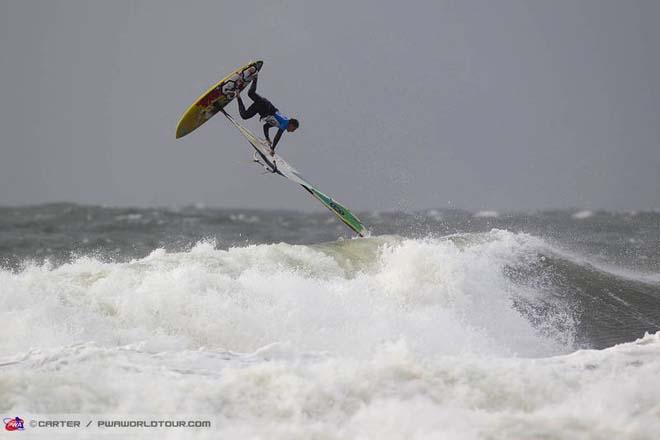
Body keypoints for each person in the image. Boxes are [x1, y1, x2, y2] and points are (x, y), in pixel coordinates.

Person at [235, 76, 299, 155]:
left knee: (244, 115)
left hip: (261, 108)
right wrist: (272, 149)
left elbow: (265, 126)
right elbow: (277, 136)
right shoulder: (285, 122)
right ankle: (255, 76)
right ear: (291, 125)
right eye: (294, 129)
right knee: (250, 94)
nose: (292, 131)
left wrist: (267, 138)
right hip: (264, 105)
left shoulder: (280, 123)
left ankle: (237, 94)